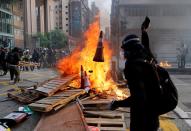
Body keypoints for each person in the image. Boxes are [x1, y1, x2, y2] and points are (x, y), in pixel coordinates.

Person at [110, 35, 161, 131]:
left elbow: (139, 98)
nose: (123, 53)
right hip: (153, 118)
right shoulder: (147, 61)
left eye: (125, 50)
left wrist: (117, 104)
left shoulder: (132, 66)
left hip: (142, 120)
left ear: (131, 51)